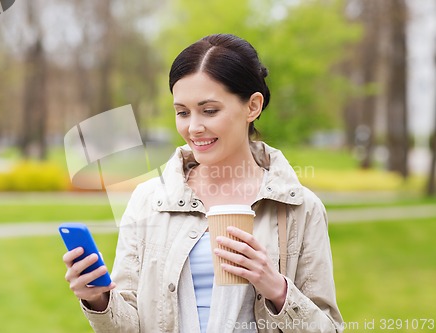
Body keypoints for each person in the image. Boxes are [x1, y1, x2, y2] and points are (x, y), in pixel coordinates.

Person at [63, 33, 343, 332]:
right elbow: (129, 324)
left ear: (253, 106)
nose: (194, 127)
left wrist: (275, 287)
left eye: (209, 111)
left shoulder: (300, 209)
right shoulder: (149, 199)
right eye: (182, 112)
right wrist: (98, 300)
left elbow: (328, 328)